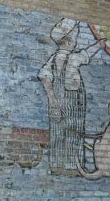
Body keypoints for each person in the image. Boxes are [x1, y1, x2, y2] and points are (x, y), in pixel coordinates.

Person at [38, 19, 105, 171]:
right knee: (73, 135)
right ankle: (72, 167)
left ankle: (57, 165)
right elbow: (86, 54)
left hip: (58, 104)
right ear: (68, 41)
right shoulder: (72, 58)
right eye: (75, 39)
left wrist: (52, 98)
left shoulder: (53, 59)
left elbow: (44, 76)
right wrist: (99, 44)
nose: (75, 43)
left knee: (58, 134)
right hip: (72, 105)